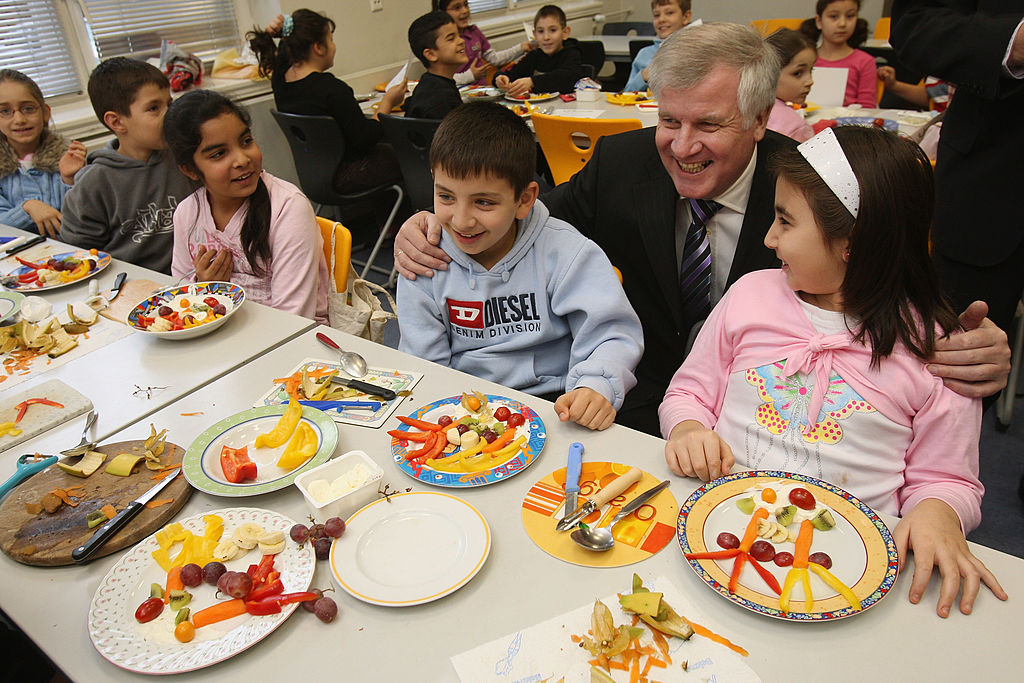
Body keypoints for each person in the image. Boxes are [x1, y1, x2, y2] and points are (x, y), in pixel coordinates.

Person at [393, 23, 1011, 436]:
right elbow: (521, 215)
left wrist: (970, 342)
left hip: (767, 407)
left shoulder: (804, 192)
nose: (681, 148)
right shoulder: (623, 164)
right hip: (638, 391)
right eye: (669, 120)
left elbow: (891, 272)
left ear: (762, 118)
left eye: (709, 125)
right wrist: (431, 227)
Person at [660, 126, 1007, 617]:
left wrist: (938, 513)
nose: (768, 237)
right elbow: (690, 391)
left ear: (853, 243)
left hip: (841, 572)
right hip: (712, 535)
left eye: (784, 220)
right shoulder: (751, 295)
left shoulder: (937, 351)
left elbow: (947, 477)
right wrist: (689, 427)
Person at [398, 102, 643, 430]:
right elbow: (423, 367)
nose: (461, 219)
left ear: (525, 199)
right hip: (463, 409)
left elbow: (611, 335)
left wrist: (595, 386)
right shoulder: (425, 258)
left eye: (484, 202)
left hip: (556, 405)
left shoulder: (566, 252)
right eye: (445, 197)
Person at [165, 89, 328, 323]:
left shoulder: (288, 207)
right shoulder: (187, 214)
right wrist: (201, 288)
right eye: (219, 154)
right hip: (219, 334)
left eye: (246, 141)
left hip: (290, 338)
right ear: (190, 170)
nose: (242, 160)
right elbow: (181, 294)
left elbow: (292, 318)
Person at [248, 10, 405, 198]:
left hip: (313, 175)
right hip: (347, 175)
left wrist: (277, 34)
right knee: (408, 156)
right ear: (318, 48)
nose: (334, 46)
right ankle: (403, 222)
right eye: (330, 40)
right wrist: (387, 102)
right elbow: (365, 140)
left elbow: (283, 54)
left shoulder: (281, 81)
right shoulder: (331, 89)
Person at [60, 58, 195, 273]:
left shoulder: (185, 158)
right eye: (153, 108)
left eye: (169, 104)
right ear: (117, 122)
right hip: (126, 287)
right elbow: (78, 257)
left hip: (190, 279)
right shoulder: (94, 182)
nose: (170, 114)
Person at [0, 70, 85, 238]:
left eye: (28, 108)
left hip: (70, 253)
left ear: (45, 112)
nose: (19, 119)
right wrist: (28, 208)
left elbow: (83, 218)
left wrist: (70, 180)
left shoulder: (68, 156)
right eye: (5, 111)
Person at [436, 0, 533, 86]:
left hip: (481, 92)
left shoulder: (474, 32)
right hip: (458, 92)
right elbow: (441, 77)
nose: (465, 11)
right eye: (457, 7)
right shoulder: (442, 41)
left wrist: (521, 48)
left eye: (466, 4)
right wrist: (470, 76)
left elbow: (494, 59)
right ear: (442, 12)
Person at [800, 0, 877, 107]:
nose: (842, 24)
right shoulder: (804, 59)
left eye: (850, 16)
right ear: (819, 21)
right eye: (833, 16)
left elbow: (868, 107)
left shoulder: (865, 61)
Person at [495, 5, 585, 96]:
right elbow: (511, 73)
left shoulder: (572, 53)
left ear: (565, 32)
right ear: (535, 35)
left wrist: (532, 82)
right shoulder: (534, 55)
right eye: (541, 31)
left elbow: (567, 77)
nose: (546, 37)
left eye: (553, 30)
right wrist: (500, 79)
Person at [400, 11, 468, 120]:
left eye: (459, 35)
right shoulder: (441, 99)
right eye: (451, 38)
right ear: (431, 54)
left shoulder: (430, 83)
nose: (461, 41)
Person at [623, 0, 695, 93]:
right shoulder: (645, 54)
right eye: (657, 15)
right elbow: (627, 93)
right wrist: (643, 77)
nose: (661, 19)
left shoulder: (698, 52)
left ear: (686, 17)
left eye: (669, 13)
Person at [765, 29, 817, 142]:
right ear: (770, 73)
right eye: (797, 73)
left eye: (811, 70)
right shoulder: (796, 128)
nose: (810, 81)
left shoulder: (744, 107)